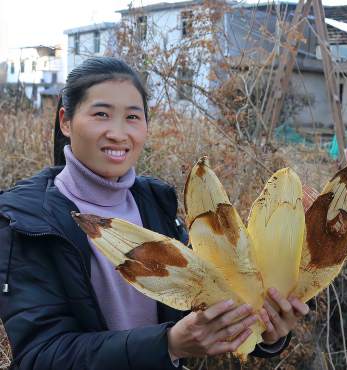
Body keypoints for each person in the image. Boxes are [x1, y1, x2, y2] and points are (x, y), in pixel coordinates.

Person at [0, 56, 308, 370]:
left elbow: (209, 302)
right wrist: (168, 344)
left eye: (133, 117)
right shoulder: (26, 222)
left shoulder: (156, 203)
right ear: (66, 121)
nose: (118, 133)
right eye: (101, 114)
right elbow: (41, 356)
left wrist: (266, 332)